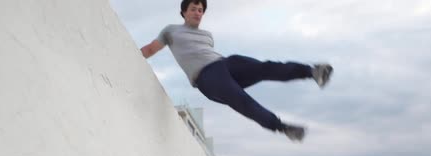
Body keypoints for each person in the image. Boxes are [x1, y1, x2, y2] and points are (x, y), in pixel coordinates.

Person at [140, 0, 333, 142]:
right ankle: (282, 127)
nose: (198, 13)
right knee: (242, 100)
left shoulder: (207, 36)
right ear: (183, 12)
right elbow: (151, 49)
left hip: (225, 64)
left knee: (263, 68)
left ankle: (312, 72)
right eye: (193, 9)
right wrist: (131, 52)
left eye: (200, 10)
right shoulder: (171, 31)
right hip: (206, 78)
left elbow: (210, 55)